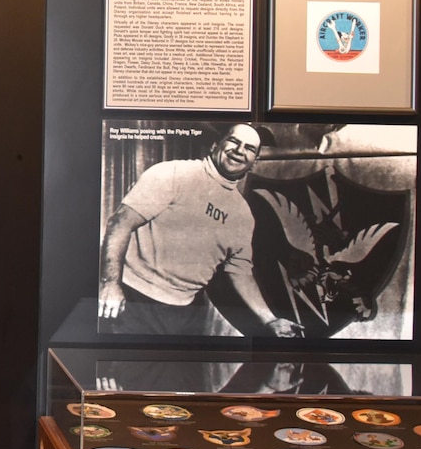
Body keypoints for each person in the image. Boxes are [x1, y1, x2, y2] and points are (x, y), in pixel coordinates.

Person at [96, 125, 301, 339]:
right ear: (215, 145)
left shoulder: (242, 215)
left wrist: (270, 319)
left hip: (187, 314)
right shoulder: (172, 173)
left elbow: (240, 272)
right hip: (133, 301)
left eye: (249, 148)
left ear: (254, 162)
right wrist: (110, 283)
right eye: (234, 141)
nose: (240, 150)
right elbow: (119, 223)